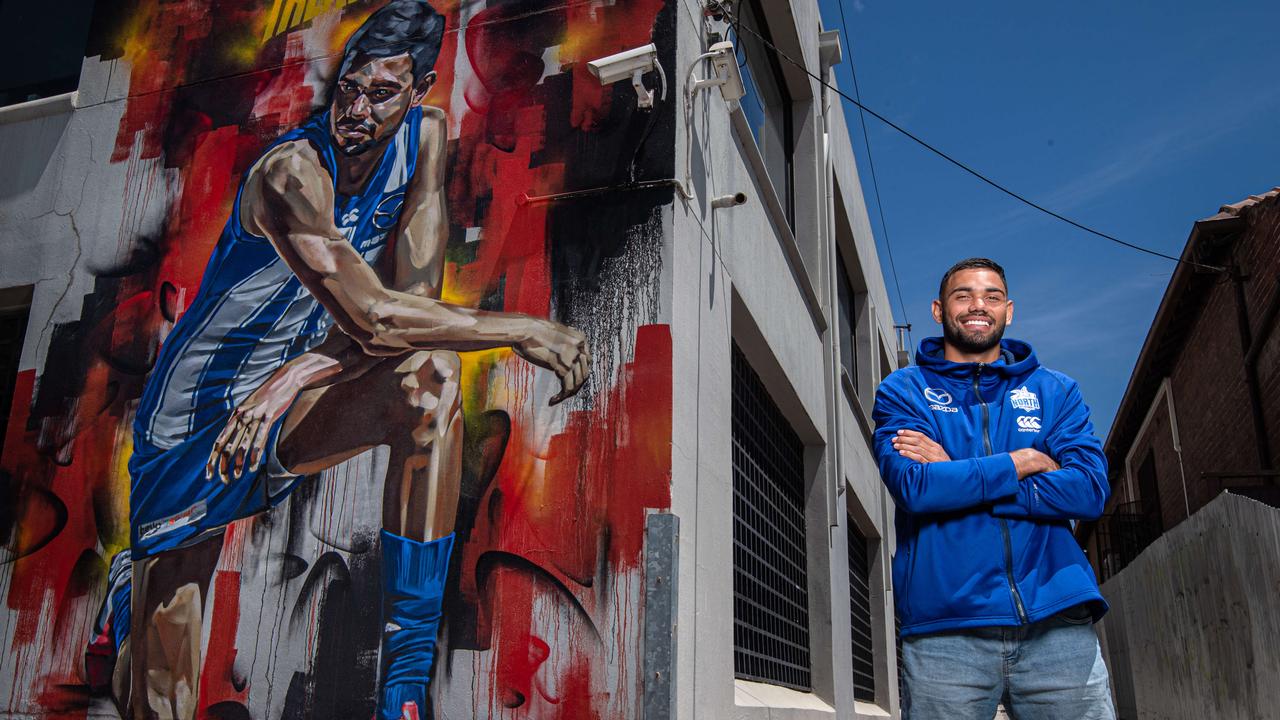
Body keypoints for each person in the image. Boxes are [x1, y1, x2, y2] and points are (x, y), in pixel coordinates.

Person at [88, 3, 590, 719]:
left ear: (417, 92)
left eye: (381, 93)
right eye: (349, 87)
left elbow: (406, 319)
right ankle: (137, 588)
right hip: (196, 426)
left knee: (429, 386)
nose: (354, 108)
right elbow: (376, 318)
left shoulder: (425, 141)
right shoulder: (291, 173)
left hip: (279, 405)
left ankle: (403, 689)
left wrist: (288, 378)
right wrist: (521, 329)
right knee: (156, 698)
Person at [872, 258, 1115, 719]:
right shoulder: (902, 391)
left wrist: (960, 473)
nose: (977, 306)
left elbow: (1087, 492)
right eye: (962, 295)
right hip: (947, 629)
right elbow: (917, 488)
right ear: (939, 311)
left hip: (1057, 620)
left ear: (1009, 311)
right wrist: (1021, 462)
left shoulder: (1056, 391)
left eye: (992, 296)